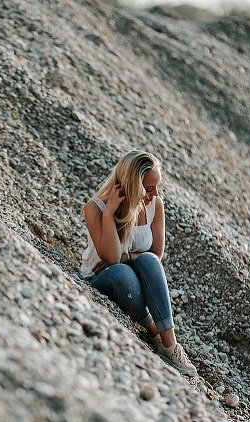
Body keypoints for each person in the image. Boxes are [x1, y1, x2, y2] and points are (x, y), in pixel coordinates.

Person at [81, 150, 196, 376]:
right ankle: (153, 329)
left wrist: (127, 258)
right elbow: (112, 260)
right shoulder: (96, 208)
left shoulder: (155, 205)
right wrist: (109, 214)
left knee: (148, 260)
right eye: (149, 188)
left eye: (157, 187)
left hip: (135, 275)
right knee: (121, 272)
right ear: (132, 185)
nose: (155, 194)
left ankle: (169, 344)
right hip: (101, 278)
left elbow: (156, 254)